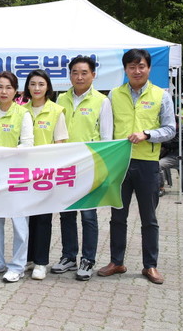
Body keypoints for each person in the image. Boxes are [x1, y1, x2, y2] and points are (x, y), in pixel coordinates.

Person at [97, 49, 175, 285]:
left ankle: (150, 265)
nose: (137, 71)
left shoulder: (161, 95)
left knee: (149, 218)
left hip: (147, 164)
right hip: (119, 163)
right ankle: (116, 262)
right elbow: (107, 129)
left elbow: (170, 129)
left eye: (141, 66)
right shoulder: (114, 95)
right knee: (117, 216)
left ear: (149, 68)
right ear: (125, 69)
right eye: (132, 67)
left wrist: (147, 134)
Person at [53, 56, 113, 281]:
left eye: (84, 72)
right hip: (66, 166)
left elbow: (106, 138)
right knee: (66, 214)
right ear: (69, 75)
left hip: (90, 166)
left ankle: (88, 259)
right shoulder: (61, 99)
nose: (79, 77)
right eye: (75, 72)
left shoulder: (102, 101)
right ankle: (68, 256)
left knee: (88, 215)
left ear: (93, 75)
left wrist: (103, 169)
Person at [0, 72, 33, 283]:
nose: (4, 91)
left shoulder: (23, 113)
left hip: (17, 174)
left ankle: (18, 265)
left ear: (16, 91)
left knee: (19, 222)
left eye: (8, 87)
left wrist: (5, 154)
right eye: (0, 87)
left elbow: (27, 144)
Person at [23, 69, 69, 281]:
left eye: (41, 84)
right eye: (33, 84)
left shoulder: (56, 111)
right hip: (23, 173)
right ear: (27, 87)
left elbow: (60, 144)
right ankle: (28, 258)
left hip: (46, 174)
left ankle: (41, 262)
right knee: (26, 218)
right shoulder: (21, 110)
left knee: (43, 218)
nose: (37, 88)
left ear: (48, 87)